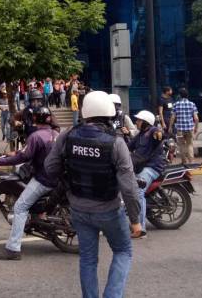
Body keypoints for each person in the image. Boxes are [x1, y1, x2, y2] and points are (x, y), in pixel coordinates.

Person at [44, 91, 142, 298]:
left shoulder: (67, 136)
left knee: (88, 259)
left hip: (78, 208)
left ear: (84, 112)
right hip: (109, 210)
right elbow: (129, 188)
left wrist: (68, 183)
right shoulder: (116, 143)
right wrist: (136, 220)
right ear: (109, 114)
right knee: (123, 251)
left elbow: (50, 167)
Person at [0, 107, 58, 260]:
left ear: (36, 119)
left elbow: (22, 158)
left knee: (20, 207)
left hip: (43, 179)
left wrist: (0, 161)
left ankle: (13, 249)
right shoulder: (56, 134)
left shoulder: (36, 136)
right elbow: (27, 153)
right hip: (56, 178)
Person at [128, 110, 165, 235]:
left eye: (139, 120)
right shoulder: (139, 135)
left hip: (152, 167)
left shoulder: (152, 132)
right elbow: (128, 147)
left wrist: (159, 134)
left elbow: (159, 135)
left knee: (139, 191)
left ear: (146, 123)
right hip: (140, 165)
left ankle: (141, 228)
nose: (136, 122)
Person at [169, 88, 199, 165]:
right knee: (190, 144)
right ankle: (191, 162)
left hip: (180, 129)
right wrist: (196, 127)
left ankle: (184, 161)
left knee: (181, 145)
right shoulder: (192, 104)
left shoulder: (176, 104)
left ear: (180, 95)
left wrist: (170, 127)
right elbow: (196, 118)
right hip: (190, 128)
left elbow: (173, 117)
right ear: (187, 95)